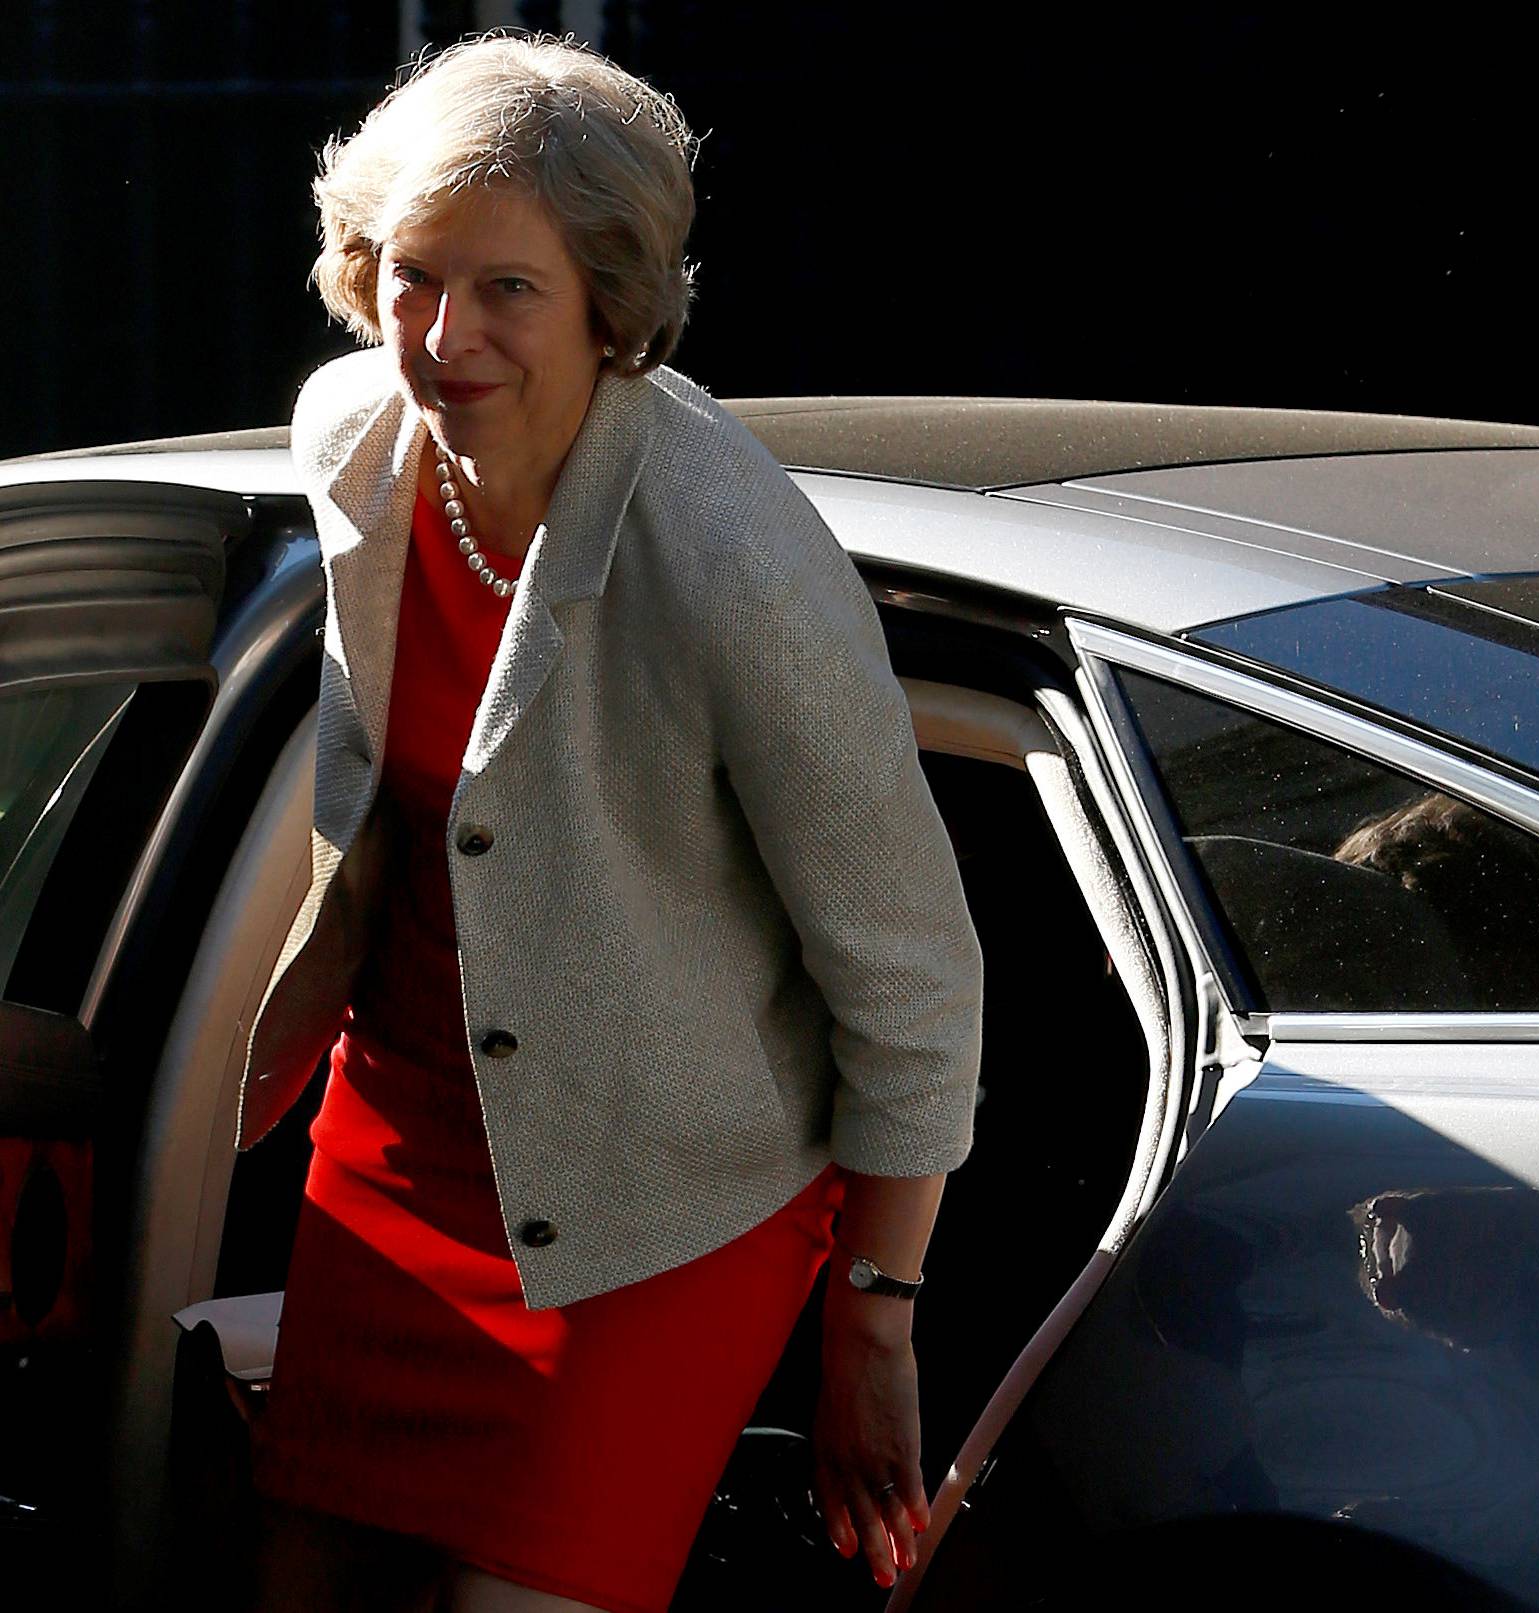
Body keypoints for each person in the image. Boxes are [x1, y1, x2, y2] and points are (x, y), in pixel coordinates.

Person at [234, 32, 984, 1612]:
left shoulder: (730, 554)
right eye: (416, 276)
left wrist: (876, 1313)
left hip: (662, 1197)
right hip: (401, 1135)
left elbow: (916, 975)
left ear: (611, 304)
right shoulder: (350, 439)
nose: (446, 338)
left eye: (510, 289)